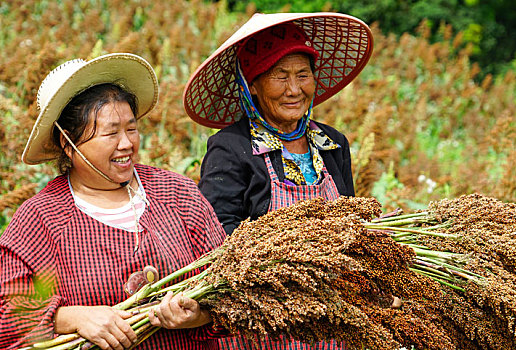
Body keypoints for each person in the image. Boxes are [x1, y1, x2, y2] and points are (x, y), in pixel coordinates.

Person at [0, 53, 227, 350]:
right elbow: (7, 315)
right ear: (68, 145)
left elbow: (230, 283)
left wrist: (198, 315)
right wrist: (71, 317)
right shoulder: (41, 218)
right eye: (111, 132)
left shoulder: (176, 192)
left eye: (131, 129)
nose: (126, 144)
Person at [183, 12, 378, 350]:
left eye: (303, 75)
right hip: (263, 318)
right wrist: (288, 259)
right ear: (253, 85)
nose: (294, 89)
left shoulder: (332, 143)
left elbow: (352, 221)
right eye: (279, 76)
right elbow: (216, 235)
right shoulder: (231, 147)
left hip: (331, 317)